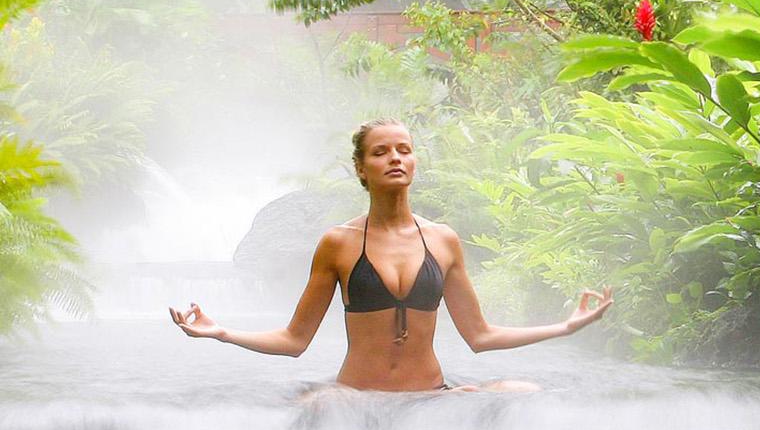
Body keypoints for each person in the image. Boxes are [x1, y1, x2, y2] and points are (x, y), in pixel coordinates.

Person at [167, 118, 613, 392]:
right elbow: (294, 341)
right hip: (356, 399)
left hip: (431, 394)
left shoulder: (443, 240)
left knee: (525, 391)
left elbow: (480, 336)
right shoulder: (338, 243)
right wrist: (222, 332)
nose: (395, 158)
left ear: (415, 161)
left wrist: (565, 327)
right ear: (362, 169)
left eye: (404, 149)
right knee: (318, 408)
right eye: (381, 152)